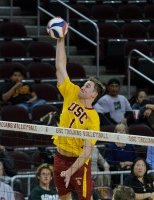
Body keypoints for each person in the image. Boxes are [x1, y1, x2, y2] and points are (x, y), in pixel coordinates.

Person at [53, 37, 106, 200]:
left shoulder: (93, 119)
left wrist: (70, 171)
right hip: (59, 157)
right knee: (64, 198)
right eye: (84, 84)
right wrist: (60, 41)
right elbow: (60, 67)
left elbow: (87, 151)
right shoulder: (72, 92)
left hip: (78, 163)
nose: (83, 86)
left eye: (88, 86)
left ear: (94, 95)